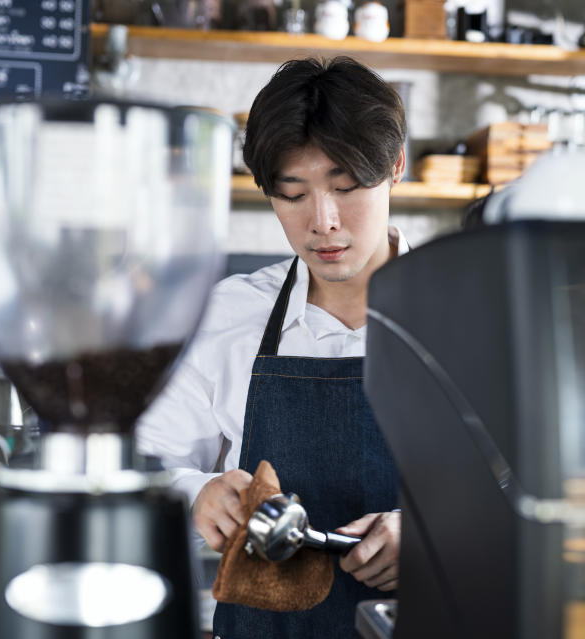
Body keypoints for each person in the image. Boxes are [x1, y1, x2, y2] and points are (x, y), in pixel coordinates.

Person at [136, 56, 407, 638]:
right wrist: (200, 495)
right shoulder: (226, 315)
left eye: (346, 186)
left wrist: (436, 534)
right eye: (293, 194)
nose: (323, 221)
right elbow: (146, 471)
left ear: (395, 167)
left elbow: (530, 486)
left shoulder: (472, 311)